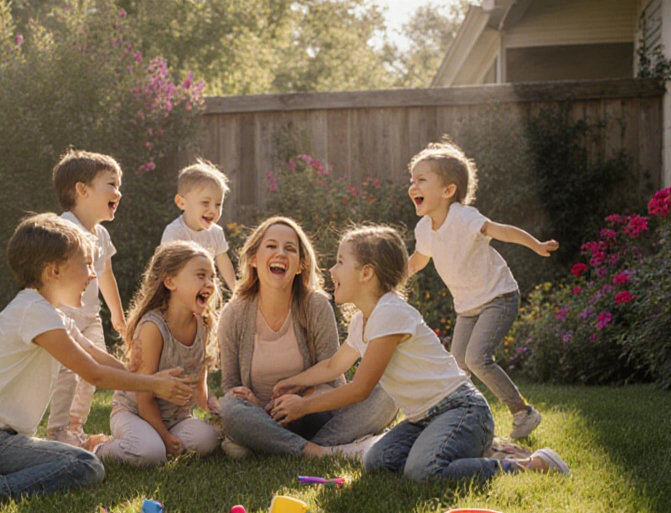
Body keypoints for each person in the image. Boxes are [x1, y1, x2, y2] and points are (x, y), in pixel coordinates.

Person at [269, 225, 570, 482]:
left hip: (462, 410)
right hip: (422, 419)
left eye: (339, 262)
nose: (331, 270)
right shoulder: (363, 319)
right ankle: (466, 447)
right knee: (377, 461)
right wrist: (293, 383)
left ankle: (526, 465)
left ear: (366, 273)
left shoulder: (390, 313)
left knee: (425, 471)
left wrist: (303, 406)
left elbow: (360, 389)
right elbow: (334, 365)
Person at [0, 214, 193, 497]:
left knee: (77, 460)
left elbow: (95, 355)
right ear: (54, 271)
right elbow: (92, 373)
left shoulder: (51, 314)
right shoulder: (33, 311)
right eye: (85, 264)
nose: (92, 274)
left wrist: (134, 372)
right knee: (86, 466)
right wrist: (154, 384)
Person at [406, 140, 559, 439]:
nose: (413, 186)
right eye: (411, 180)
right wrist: (391, 278)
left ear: (448, 191)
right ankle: (470, 419)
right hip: (467, 307)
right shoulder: (424, 229)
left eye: (421, 180)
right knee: (458, 365)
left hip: (498, 297)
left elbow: (501, 230)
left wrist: (536, 245)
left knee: (477, 358)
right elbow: (418, 261)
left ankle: (523, 413)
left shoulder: (463, 217)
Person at [218, 216, 397, 460]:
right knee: (231, 409)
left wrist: (300, 400)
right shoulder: (234, 313)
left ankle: (286, 446)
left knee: (388, 392)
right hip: (261, 415)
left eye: (290, 249)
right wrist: (256, 404)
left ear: (301, 265)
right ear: (253, 258)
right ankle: (322, 449)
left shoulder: (316, 305)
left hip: (314, 414)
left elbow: (333, 378)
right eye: (271, 246)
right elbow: (230, 386)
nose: (280, 253)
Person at [95, 241, 223, 465]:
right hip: (134, 413)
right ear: (170, 281)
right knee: (151, 452)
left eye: (212, 277)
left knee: (209, 438)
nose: (210, 284)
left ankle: (158, 443)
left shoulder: (203, 325)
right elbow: (144, 397)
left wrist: (216, 408)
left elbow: (199, 387)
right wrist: (165, 437)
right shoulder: (153, 328)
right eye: (201, 275)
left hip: (176, 418)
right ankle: (97, 448)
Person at [45, 150, 129, 448]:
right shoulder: (63, 230)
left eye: (119, 185)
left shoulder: (102, 235)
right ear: (82, 190)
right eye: (111, 184)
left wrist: (118, 316)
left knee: (93, 374)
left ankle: (74, 428)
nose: (118, 192)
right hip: (63, 315)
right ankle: (57, 430)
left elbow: (106, 276)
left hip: (91, 316)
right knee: (67, 371)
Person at [160, 159, 238, 291]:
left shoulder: (216, 232)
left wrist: (235, 290)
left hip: (204, 292)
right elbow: (165, 268)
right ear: (181, 203)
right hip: (178, 294)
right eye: (205, 203)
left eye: (218, 204)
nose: (213, 210)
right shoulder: (175, 233)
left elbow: (223, 262)